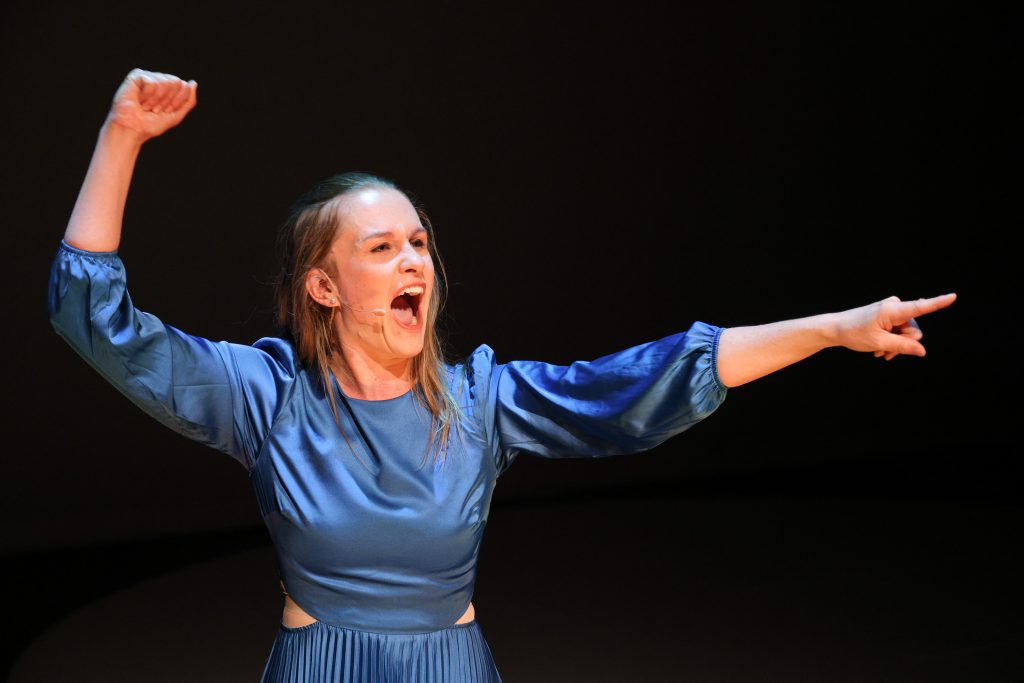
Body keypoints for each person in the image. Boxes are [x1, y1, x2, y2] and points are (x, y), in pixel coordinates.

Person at [48, 69, 957, 683]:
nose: (414, 259)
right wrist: (122, 135)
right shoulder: (268, 395)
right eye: (381, 248)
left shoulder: (480, 400)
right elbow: (98, 322)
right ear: (324, 286)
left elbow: (646, 383)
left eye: (419, 242)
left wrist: (833, 329)